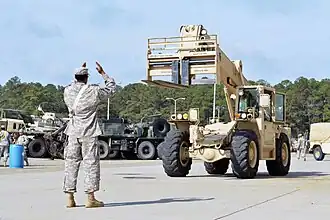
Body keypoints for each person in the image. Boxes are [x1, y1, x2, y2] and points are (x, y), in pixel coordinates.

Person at [63, 61, 116, 208]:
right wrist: (103, 73)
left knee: (71, 163)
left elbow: (73, 85)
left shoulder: (67, 91)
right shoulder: (93, 91)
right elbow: (111, 89)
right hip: (89, 131)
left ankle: (70, 197)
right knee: (91, 164)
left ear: (75, 77)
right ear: (87, 77)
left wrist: (80, 70)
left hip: (73, 132)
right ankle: (91, 198)